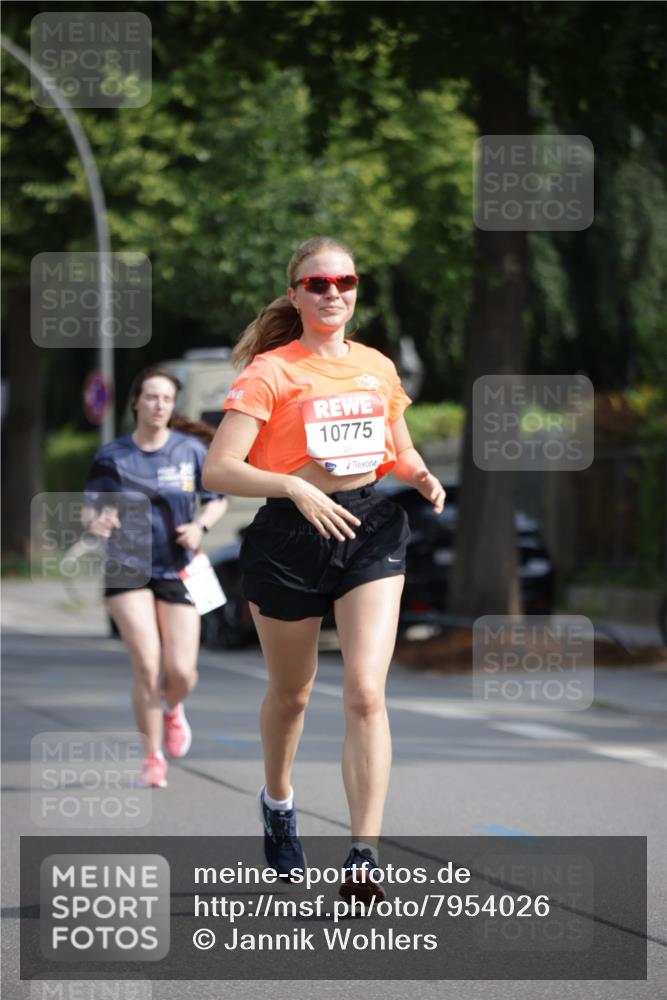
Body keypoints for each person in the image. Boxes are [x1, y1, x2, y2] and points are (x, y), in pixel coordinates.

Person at [203, 236, 445, 902]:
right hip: (289, 536)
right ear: (294, 294)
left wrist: (419, 474)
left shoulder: (375, 367)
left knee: (366, 691)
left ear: (355, 289)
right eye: (316, 283)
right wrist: (294, 487)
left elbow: (395, 449)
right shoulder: (270, 372)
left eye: (344, 281)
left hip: (368, 528)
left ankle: (362, 854)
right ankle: (278, 801)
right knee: (294, 694)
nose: (332, 292)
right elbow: (219, 468)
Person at [82, 367, 228, 788]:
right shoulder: (113, 456)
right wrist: (99, 521)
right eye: (152, 397)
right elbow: (89, 510)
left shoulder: (189, 451)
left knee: (182, 671)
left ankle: (173, 707)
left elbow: (217, 500)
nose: (159, 405)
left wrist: (200, 526)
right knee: (147, 664)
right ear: (136, 402)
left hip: (178, 567)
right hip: (126, 567)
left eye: (166, 399)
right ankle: (153, 756)